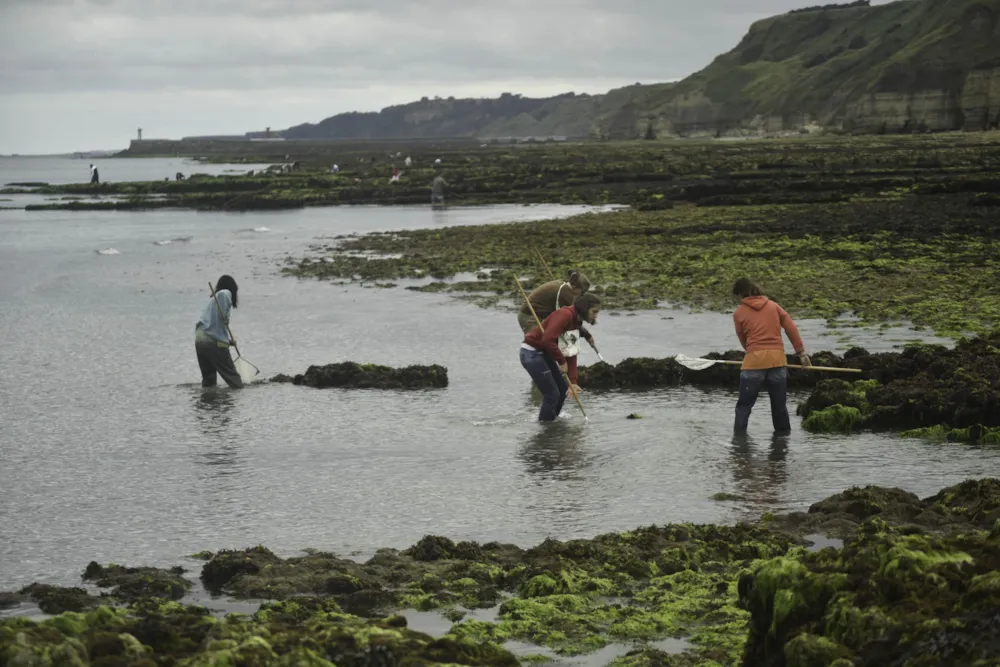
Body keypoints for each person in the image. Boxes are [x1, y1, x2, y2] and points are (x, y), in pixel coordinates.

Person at [731, 278, 811, 435]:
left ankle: (738, 448)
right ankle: (782, 448)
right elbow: (791, 328)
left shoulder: (739, 313)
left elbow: (744, 340)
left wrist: (754, 352)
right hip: (777, 362)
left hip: (753, 363)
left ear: (740, 294)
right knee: (779, 407)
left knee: (744, 406)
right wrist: (801, 353)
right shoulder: (774, 306)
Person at [520, 293, 601, 422]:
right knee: (552, 395)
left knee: (563, 390)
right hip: (532, 353)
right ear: (585, 308)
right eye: (594, 311)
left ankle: (552, 423)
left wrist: (573, 383)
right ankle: (545, 429)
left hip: (545, 354)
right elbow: (547, 340)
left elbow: (571, 351)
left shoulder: (576, 322)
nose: (595, 315)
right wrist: (562, 361)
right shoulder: (564, 315)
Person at [518, 271, 595, 394]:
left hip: (541, 316)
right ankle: (541, 385)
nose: (582, 295)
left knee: (550, 346)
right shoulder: (565, 294)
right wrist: (586, 334)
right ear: (575, 287)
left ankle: (548, 383)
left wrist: (585, 335)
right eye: (582, 292)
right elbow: (569, 323)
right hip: (530, 316)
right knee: (541, 347)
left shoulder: (565, 288)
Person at [195, 275, 244, 389]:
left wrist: (228, 341)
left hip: (200, 339)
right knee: (234, 379)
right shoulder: (224, 293)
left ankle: (209, 403)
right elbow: (224, 296)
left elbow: (214, 325)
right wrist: (226, 317)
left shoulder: (213, 300)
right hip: (212, 340)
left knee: (209, 380)